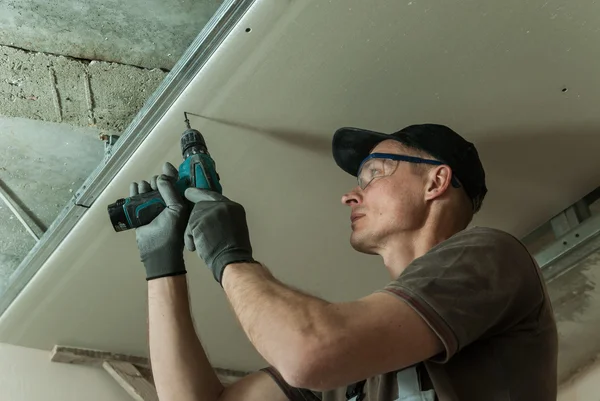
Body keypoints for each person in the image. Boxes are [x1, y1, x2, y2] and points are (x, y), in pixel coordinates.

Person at [131, 123, 558, 401]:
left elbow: (309, 351)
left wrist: (229, 256)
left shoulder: (491, 257)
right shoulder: (357, 370)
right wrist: (162, 265)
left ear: (436, 181)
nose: (351, 195)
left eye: (374, 173)